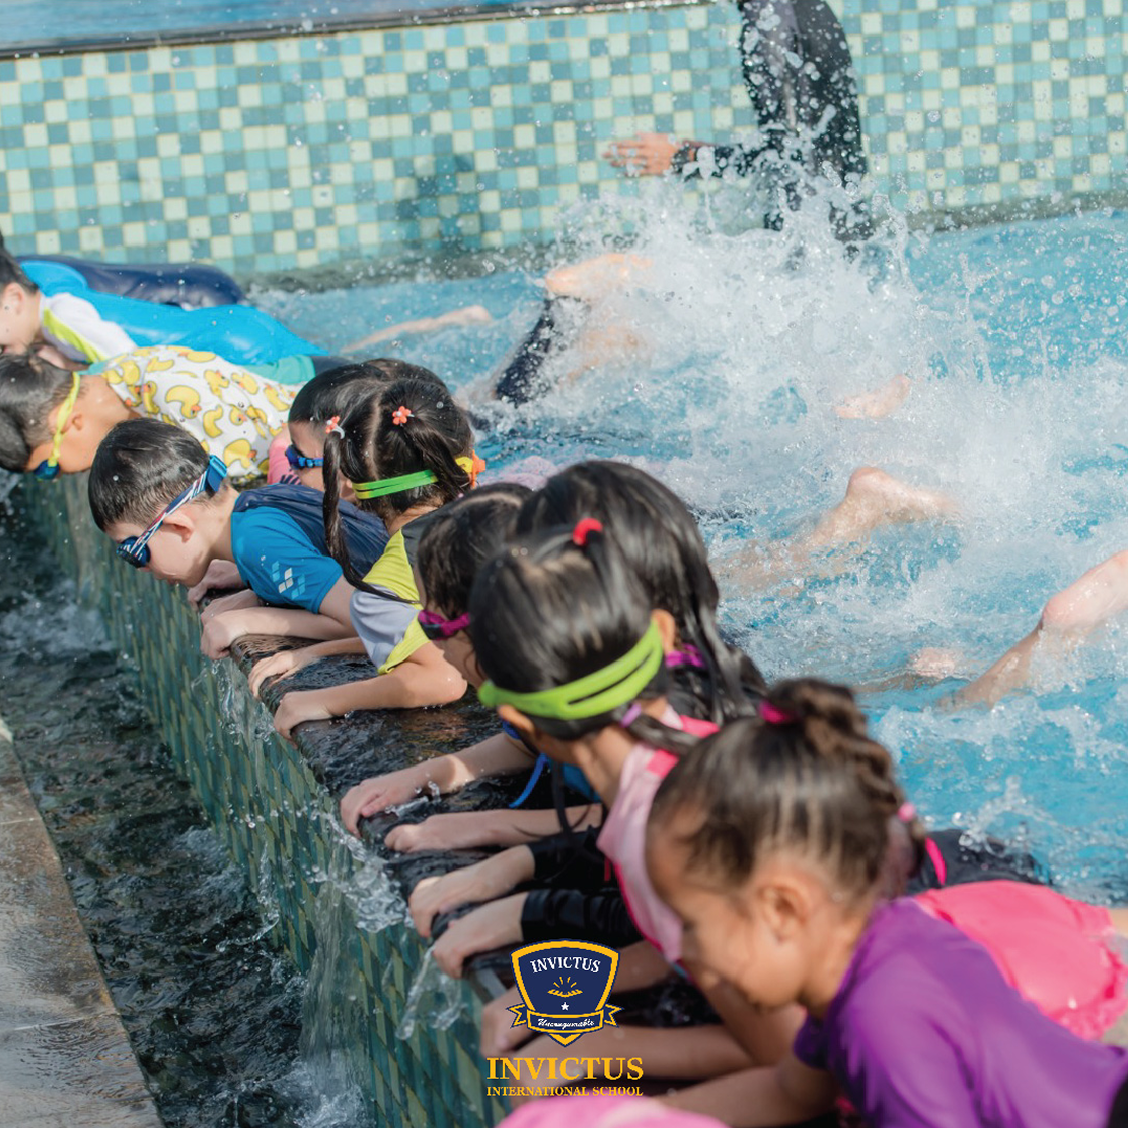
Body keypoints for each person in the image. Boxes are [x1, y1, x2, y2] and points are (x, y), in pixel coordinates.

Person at [647, 684, 1128, 1127]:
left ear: (782, 908)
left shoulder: (878, 1019)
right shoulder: (873, 947)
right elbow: (789, 1091)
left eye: (689, 923)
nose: (683, 949)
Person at [260, 376, 480, 740]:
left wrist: (321, 701)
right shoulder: (497, 509)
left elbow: (441, 679)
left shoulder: (382, 588)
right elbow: (422, 632)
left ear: (350, 483)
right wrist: (317, 653)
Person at [86, 420, 388, 658]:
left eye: (133, 551)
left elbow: (360, 621)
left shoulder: (258, 543)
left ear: (179, 526)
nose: (141, 567)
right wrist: (254, 583)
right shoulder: (257, 504)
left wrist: (249, 621)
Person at [605, 0, 868, 235]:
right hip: (845, 230)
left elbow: (788, 158)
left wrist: (684, 157)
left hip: (806, 239)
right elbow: (814, 150)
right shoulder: (812, 9)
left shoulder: (767, 23)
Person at [0, 345, 301, 481]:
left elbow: (258, 482)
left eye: (48, 469)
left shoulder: (175, 396)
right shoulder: (118, 375)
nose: (57, 478)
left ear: (71, 423)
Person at [0, 247, 324, 365]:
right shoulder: (57, 311)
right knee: (338, 376)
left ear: (14, 298)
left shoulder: (61, 318)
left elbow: (133, 370)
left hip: (227, 345)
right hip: (228, 326)